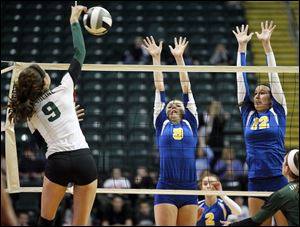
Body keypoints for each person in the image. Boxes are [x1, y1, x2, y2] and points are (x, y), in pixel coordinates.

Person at [7, 5, 98, 226]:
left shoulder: (29, 113)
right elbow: (80, 53)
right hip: (84, 159)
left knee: (46, 222)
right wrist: (74, 21)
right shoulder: (64, 89)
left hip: (57, 162)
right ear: (44, 81)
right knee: (80, 223)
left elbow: (45, 147)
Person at [233, 21, 289, 226]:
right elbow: (241, 81)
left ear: (271, 97)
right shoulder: (247, 113)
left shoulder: (278, 110)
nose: (257, 96)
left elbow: (273, 76)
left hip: (278, 179)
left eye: (262, 92)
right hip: (255, 181)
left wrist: (266, 46)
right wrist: (241, 47)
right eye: (255, 93)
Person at [142, 36, 199, 226]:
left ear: (184, 111)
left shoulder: (191, 121)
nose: (173, 106)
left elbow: (186, 87)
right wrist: (156, 58)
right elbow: (159, 87)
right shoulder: (161, 122)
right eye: (170, 106)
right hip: (166, 187)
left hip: (190, 188)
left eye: (177, 105)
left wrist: (179, 58)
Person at [222, 149, 299, 226]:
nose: (281, 164)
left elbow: (255, 221)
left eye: (283, 161)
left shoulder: (281, 195)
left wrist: (231, 225)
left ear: (286, 169)